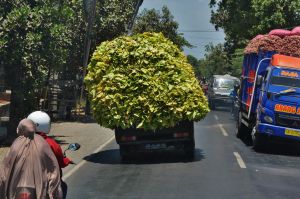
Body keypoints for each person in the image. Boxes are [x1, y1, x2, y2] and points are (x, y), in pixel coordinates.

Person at [0, 119, 62, 199]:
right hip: (38, 186)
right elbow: (53, 166)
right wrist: (53, 190)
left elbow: (5, 166)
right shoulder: (42, 142)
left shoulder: (16, 143)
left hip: (17, 186)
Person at [27, 111, 72, 199]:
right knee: (63, 187)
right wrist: (66, 161)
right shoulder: (51, 143)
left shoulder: (19, 142)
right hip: (46, 181)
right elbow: (61, 162)